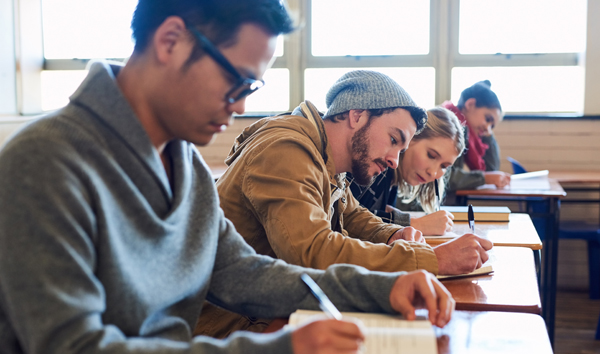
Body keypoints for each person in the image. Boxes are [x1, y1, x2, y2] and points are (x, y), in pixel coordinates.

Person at [0, 1, 456, 354]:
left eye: (250, 88)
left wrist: (383, 287)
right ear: (171, 40)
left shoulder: (185, 164)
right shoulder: (45, 162)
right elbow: (73, 347)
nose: (239, 106)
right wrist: (279, 348)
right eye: (235, 81)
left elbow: (241, 273)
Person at [198, 70, 492, 338]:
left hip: (270, 311)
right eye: (393, 139)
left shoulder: (328, 159)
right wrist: (432, 260)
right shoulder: (286, 149)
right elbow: (313, 250)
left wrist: (393, 234)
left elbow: (354, 217)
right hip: (231, 327)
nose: (394, 161)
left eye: (402, 149)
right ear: (357, 115)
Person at [349, 107, 465, 236]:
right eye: (431, 155)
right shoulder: (378, 166)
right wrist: (416, 224)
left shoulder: (393, 180)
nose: (433, 173)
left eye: (444, 166)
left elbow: (367, 213)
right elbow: (347, 220)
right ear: (411, 138)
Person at [441, 80, 511, 201]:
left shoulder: (470, 136)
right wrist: (484, 178)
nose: (487, 127)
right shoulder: (448, 126)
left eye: (492, 126)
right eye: (488, 119)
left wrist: (488, 136)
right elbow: (444, 176)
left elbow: (491, 170)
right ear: (470, 104)